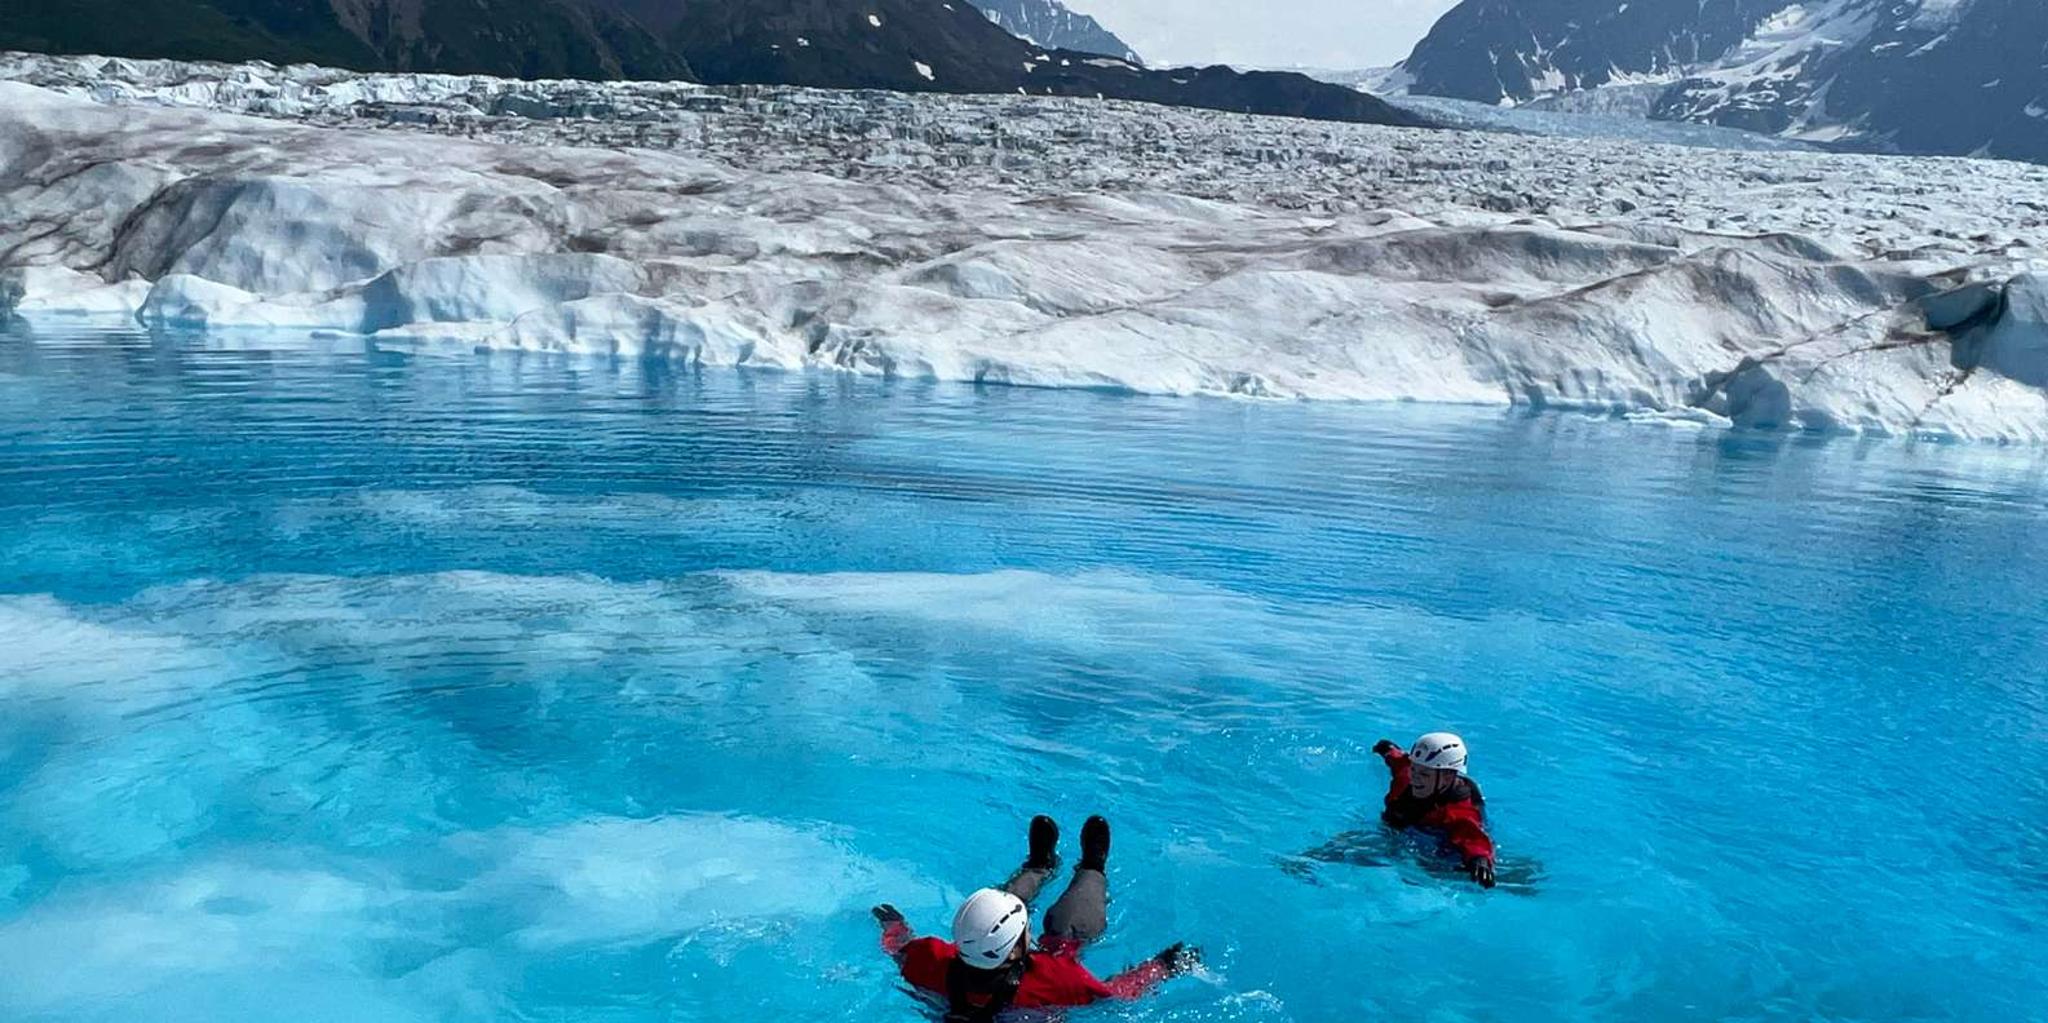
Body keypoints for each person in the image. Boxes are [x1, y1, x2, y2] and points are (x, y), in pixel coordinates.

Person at [873, 815, 1200, 1021]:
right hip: (1042, 974)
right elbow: (1118, 993)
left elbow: (899, 948)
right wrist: (1165, 966)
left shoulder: (928, 958)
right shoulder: (1057, 980)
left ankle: (1040, 865)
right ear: (1018, 949)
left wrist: (892, 925)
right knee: (1067, 931)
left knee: (1002, 906)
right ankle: (1092, 868)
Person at [1372, 731, 1496, 888]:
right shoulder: (1407, 777)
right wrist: (1388, 750)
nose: (1415, 777)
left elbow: (1471, 836)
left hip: (1439, 837)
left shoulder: (1457, 810)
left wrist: (1479, 859)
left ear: (1448, 776)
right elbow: (1401, 762)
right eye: (1414, 769)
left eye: (1424, 774)